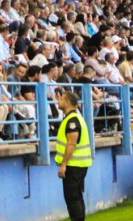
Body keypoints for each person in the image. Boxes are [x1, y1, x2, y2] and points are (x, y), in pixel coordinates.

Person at [55, 91, 91, 221]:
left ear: (67, 103)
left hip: (74, 165)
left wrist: (63, 164)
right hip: (78, 165)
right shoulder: (74, 118)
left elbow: (71, 144)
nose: (58, 101)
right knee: (76, 197)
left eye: (61, 99)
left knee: (73, 198)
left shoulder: (72, 121)